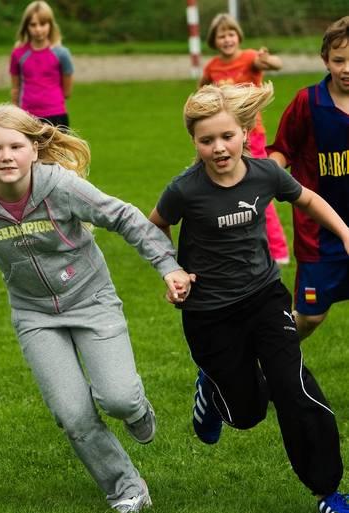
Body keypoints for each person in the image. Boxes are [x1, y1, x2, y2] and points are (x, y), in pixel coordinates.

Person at [0, 103, 193, 512]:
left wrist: (167, 265)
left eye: (16, 146)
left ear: (35, 148)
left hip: (92, 300)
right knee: (72, 414)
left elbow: (121, 217)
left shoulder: (61, 186)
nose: (6, 156)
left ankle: (136, 409)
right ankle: (126, 488)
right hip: (34, 315)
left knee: (118, 398)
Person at [149, 82, 349, 513]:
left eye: (227, 136)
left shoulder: (266, 174)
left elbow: (309, 199)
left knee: (293, 386)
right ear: (194, 143)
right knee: (246, 414)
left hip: (264, 299)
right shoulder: (185, 189)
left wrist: (346, 232)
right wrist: (173, 270)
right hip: (208, 314)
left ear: (245, 132)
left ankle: (328, 492)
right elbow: (155, 227)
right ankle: (212, 389)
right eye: (207, 140)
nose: (219, 148)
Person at [268, 16, 349, 342]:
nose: (346, 68)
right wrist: (265, 178)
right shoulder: (308, 102)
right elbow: (281, 151)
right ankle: (271, 359)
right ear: (325, 60)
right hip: (319, 235)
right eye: (339, 60)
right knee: (312, 314)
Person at [200, 12, 290, 266]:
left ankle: (279, 249)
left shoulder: (250, 58)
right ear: (214, 41)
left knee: (258, 185)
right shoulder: (213, 67)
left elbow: (276, 64)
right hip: (224, 137)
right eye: (221, 35)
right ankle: (237, 243)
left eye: (230, 34)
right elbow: (202, 91)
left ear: (238, 36)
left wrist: (267, 60)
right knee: (231, 189)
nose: (227, 39)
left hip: (252, 135)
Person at [10, 1, 73, 128]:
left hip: (56, 115)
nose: (38, 29)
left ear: (50, 25)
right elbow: (15, 89)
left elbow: (67, 91)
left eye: (43, 24)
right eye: (33, 25)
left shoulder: (62, 54)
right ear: (26, 27)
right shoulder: (18, 54)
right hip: (27, 116)